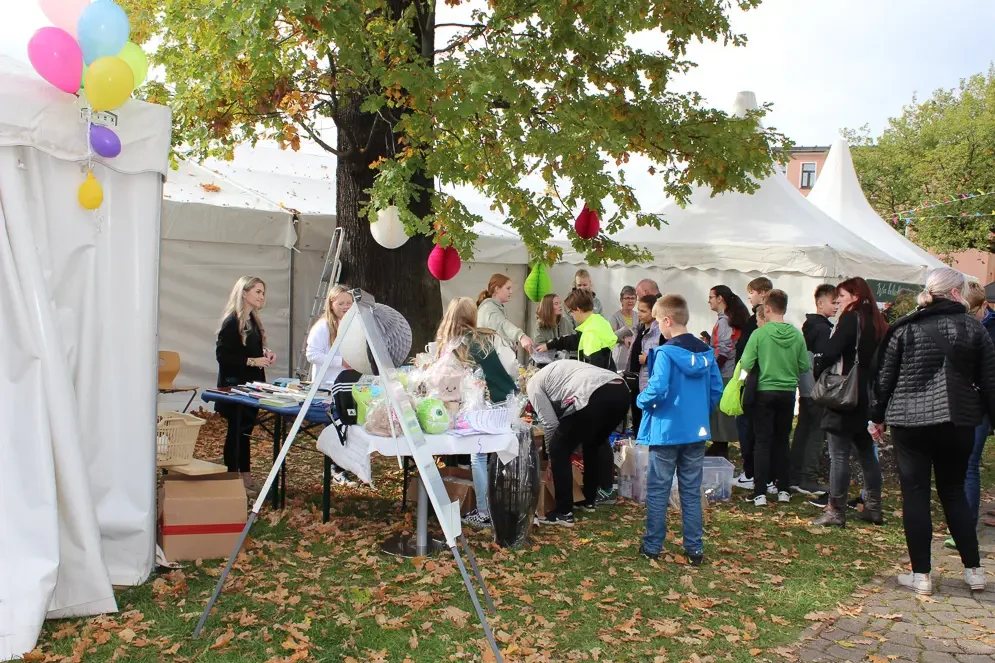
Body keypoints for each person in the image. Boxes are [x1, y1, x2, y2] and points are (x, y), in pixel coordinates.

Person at [871, 268, 995, 595]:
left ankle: (921, 575)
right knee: (953, 491)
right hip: (958, 419)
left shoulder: (905, 328)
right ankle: (974, 570)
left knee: (915, 494)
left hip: (910, 420)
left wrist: (877, 417)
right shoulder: (974, 328)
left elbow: (885, 378)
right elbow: (990, 380)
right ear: (955, 293)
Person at [637, 295, 724, 565]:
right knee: (691, 489)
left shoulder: (665, 353)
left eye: (657, 322)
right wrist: (698, 412)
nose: (657, 328)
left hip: (666, 431)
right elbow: (716, 389)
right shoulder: (706, 352)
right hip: (695, 431)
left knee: (658, 489)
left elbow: (657, 388)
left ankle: (652, 545)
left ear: (666, 321)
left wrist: (641, 400)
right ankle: (695, 548)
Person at [435, 297, 519, 528]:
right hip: (504, 402)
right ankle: (508, 505)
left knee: (479, 456)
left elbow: (447, 382)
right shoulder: (490, 336)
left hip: (476, 409)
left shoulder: (452, 346)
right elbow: (512, 366)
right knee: (503, 452)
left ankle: (484, 510)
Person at [812, 278, 886, 527]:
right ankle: (873, 506)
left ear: (855, 296)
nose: (838, 301)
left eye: (842, 296)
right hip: (867, 394)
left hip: (845, 393)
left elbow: (831, 351)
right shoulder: (876, 321)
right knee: (866, 453)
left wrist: (820, 366)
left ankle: (836, 510)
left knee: (839, 454)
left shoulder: (851, 319)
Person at [528, 360, 630, 526]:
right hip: (621, 391)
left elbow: (550, 424)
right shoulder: (558, 370)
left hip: (593, 393)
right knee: (593, 443)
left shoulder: (533, 384)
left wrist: (552, 459)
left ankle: (564, 512)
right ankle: (588, 500)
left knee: (558, 448)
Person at [739, 289, 809, 506]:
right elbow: (804, 365)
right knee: (782, 441)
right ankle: (783, 489)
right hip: (787, 393)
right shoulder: (797, 334)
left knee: (762, 442)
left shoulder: (759, 334)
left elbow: (746, 363)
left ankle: (760, 492)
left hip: (764, 391)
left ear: (767, 308)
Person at [216, 276, 275, 495]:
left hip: (253, 386)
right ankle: (232, 479)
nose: (261, 296)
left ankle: (246, 477)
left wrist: (265, 354)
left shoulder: (253, 320)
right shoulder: (232, 322)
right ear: (244, 292)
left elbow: (250, 350)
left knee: (245, 433)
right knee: (236, 432)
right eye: (257, 291)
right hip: (235, 387)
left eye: (263, 292)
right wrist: (252, 361)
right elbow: (223, 356)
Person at [789, 284, 837, 497]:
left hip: (806, 387)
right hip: (817, 388)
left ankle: (794, 475)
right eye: (833, 302)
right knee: (816, 434)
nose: (837, 306)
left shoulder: (808, 327)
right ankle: (807, 478)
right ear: (820, 303)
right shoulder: (823, 330)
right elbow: (821, 361)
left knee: (803, 430)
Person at [733, 277, 773, 491]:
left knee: (749, 427)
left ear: (763, 293)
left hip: (753, 381)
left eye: (752, 292)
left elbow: (747, 356)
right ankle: (766, 476)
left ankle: (752, 473)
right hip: (770, 384)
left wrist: (740, 378)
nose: (749, 297)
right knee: (765, 433)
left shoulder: (758, 324)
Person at [964, 282, 995, 531]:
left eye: (972, 311)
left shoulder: (990, 331)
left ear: (984, 306)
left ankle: (966, 524)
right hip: (959, 402)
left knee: (969, 464)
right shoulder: (960, 325)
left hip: (981, 404)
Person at [706, 286, 750, 458]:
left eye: (711, 297)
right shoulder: (729, 319)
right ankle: (719, 445)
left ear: (720, 299)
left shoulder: (724, 321)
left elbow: (724, 349)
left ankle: (720, 446)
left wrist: (713, 370)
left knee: (721, 411)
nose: (709, 301)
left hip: (724, 372)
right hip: (729, 370)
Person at [537, 290, 617, 369]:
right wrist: (549, 345)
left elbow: (593, 368)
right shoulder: (598, 321)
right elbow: (574, 340)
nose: (571, 315)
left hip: (599, 375)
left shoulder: (590, 334)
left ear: (578, 310)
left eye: (571, 311)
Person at [306, 285, 354, 384]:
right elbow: (312, 355)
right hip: (327, 385)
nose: (346, 306)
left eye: (349, 303)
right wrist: (341, 361)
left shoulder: (355, 325)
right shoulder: (322, 326)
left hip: (350, 383)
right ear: (331, 305)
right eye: (341, 304)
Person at [628, 294, 661, 434]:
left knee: (647, 417)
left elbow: (664, 356)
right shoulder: (640, 329)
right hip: (636, 379)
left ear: (653, 311)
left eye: (643, 311)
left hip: (648, 380)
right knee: (636, 416)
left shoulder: (659, 332)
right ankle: (638, 442)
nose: (639, 314)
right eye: (638, 310)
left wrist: (648, 359)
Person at [477, 274, 534, 353]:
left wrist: (510, 342)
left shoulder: (492, 307)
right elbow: (502, 324)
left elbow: (498, 332)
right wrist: (521, 336)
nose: (511, 291)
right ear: (497, 289)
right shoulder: (489, 309)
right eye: (508, 288)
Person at [533, 294, 574, 364]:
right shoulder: (539, 325)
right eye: (556, 304)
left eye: (560, 303)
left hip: (565, 363)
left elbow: (572, 339)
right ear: (548, 307)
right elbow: (539, 349)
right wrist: (555, 353)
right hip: (545, 364)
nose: (560, 306)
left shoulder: (565, 321)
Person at [609, 286, 638, 371]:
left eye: (633, 298)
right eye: (627, 298)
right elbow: (611, 337)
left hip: (635, 356)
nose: (630, 301)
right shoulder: (615, 317)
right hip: (620, 357)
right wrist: (624, 339)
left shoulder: (638, 316)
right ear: (621, 300)